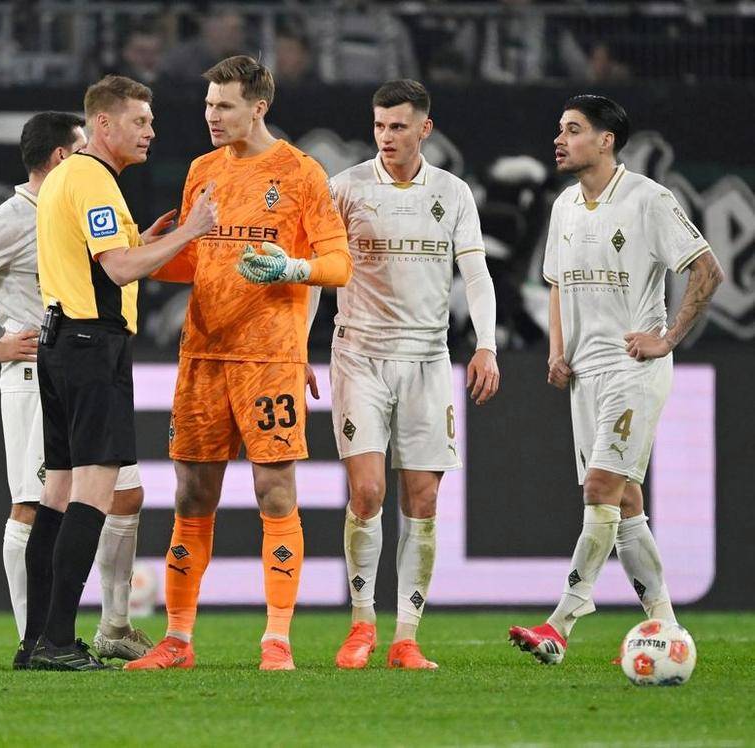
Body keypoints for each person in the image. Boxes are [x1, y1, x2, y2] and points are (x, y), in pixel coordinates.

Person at [127, 56, 351, 672]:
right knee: (191, 493)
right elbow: (196, 261)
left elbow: (339, 265)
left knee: (273, 491)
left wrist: (292, 267)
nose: (211, 116)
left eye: (223, 106)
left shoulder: (301, 173)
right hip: (202, 353)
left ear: (258, 108)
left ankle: (277, 638)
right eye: (208, 105)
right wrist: (149, 250)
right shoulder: (202, 171)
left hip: (269, 356)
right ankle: (177, 640)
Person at [509, 95, 723, 664]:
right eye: (560, 129)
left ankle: (561, 621)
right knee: (625, 502)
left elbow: (707, 270)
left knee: (599, 490)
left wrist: (666, 339)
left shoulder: (648, 199)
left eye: (573, 130)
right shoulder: (564, 206)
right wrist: (557, 350)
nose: (559, 139)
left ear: (606, 140)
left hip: (633, 370)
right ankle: (667, 628)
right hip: (586, 374)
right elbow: (557, 283)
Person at [24, 74, 218, 671]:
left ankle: (36, 641)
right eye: (139, 120)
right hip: (91, 344)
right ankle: (59, 641)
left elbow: (105, 256)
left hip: (61, 341)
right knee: (94, 493)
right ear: (103, 124)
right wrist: (191, 231)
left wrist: (146, 240)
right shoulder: (94, 180)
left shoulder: (66, 176)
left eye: (150, 120)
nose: (150, 131)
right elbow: (116, 269)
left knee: (57, 495)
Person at [0, 111, 152, 666]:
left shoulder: (72, 205)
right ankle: (33, 636)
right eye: (82, 147)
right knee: (34, 505)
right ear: (63, 156)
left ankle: (112, 625)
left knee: (124, 493)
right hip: (38, 369)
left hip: (79, 363)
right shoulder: (14, 217)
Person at [327, 79, 500, 671]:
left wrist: (486, 345)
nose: (387, 136)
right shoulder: (345, 188)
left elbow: (475, 275)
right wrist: (298, 347)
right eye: (379, 125)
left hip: (427, 358)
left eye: (398, 126)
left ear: (425, 128)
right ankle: (361, 625)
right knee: (367, 491)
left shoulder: (452, 193)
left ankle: (406, 637)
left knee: (422, 498)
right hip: (360, 354)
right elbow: (319, 270)